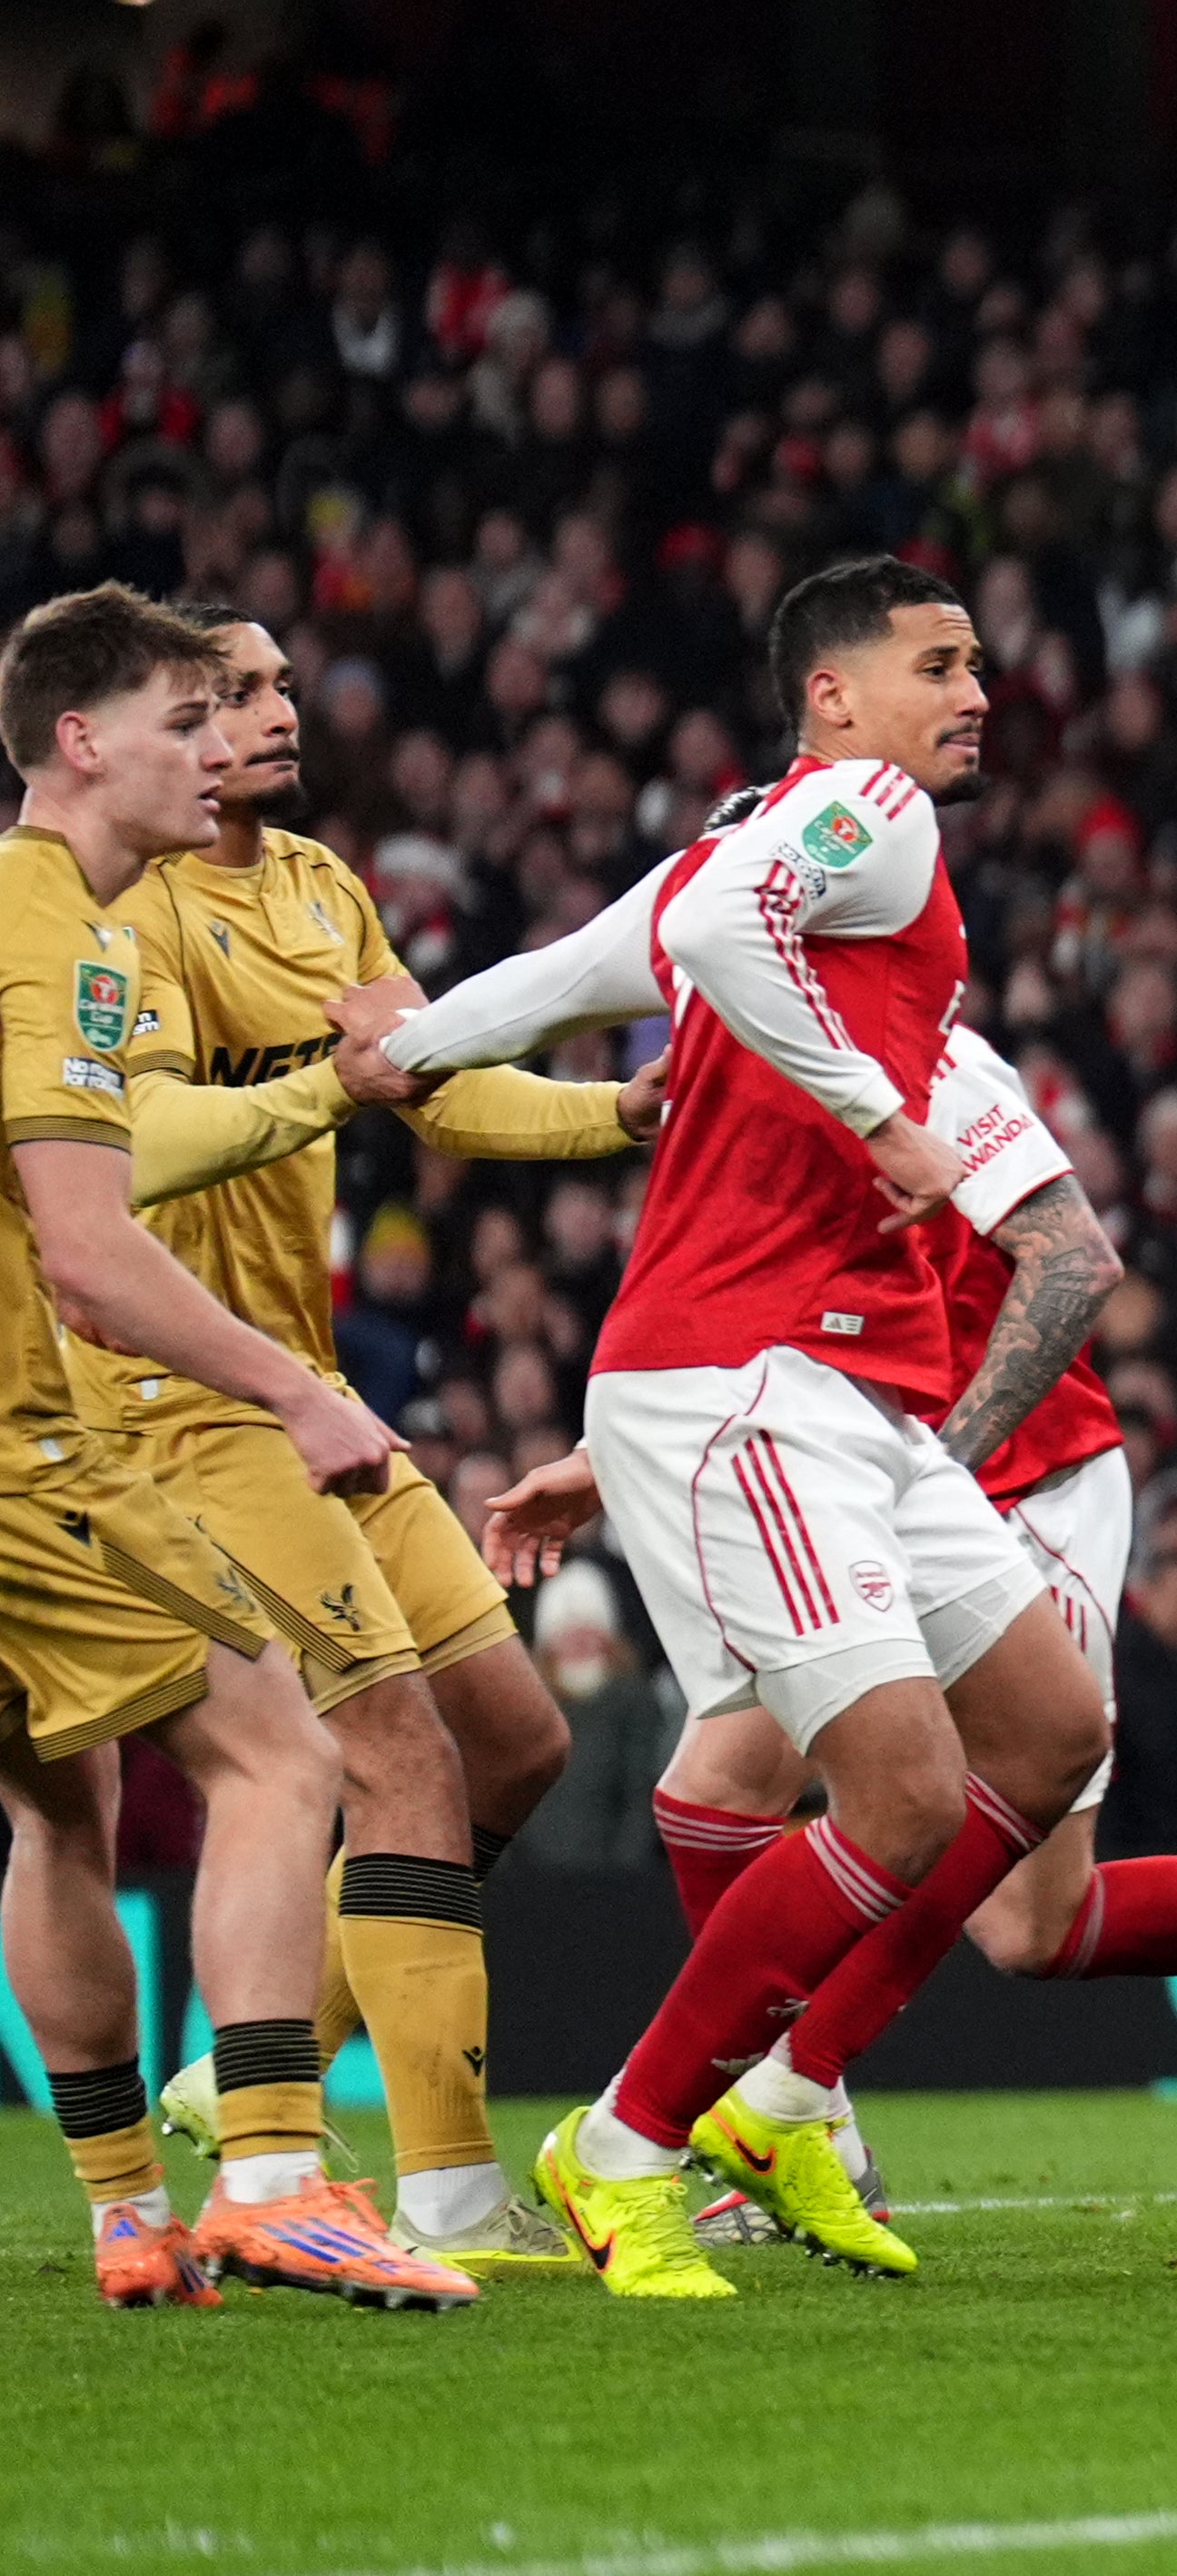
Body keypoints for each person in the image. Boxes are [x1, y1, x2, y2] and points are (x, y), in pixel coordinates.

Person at [497, 1025, 1177, 2243]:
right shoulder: (765, 1053)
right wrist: (609, 1454)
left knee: (1032, 1925)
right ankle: (802, 2122)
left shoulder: (931, 1058)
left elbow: (1075, 1267)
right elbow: (761, 1314)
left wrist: (928, 1476)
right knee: (716, 1784)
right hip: (854, 1478)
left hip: (1022, 1485)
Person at [442, 560, 1120, 2302]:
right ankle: (627, 2143)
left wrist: (404, 1052)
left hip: (837, 1385)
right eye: (938, 663)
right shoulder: (868, 813)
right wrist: (888, 1119)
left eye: (979, 662)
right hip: (745, 1374)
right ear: (833, 693)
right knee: (896, 1789)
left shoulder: (741, 846)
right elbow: (715, 937)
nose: (977, 693)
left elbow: (562, 973)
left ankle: (790, 2096)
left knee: (1049, 1729)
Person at [100, 601, 635, 2277]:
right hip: (186, 1400)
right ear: (161, 727)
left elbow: (436, 1083)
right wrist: (335, 1084)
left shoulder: (322, 884)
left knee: (516, 1742)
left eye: (278, 685)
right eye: (232, 692)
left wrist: (623, 1112)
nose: (275, 711)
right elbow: (141, 1142)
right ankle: (446, 2192)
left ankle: (241, 2066)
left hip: (311, 1385)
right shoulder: (127, 911)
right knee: (396, 1753)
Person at [0, 585, 470, 2308]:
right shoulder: (56, 934)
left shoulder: (61, 917)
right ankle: (271, 2175)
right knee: (280, 1752)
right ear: (80, 740)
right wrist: (296, 1386)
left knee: (59, 1808)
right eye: (183, 720)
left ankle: (128, 2211)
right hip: (29, 1453)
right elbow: (89, 1248)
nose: (218, 748)